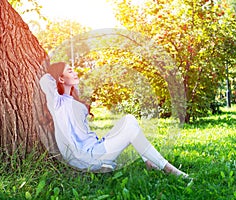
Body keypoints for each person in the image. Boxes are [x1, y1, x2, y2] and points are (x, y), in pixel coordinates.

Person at [39, 61, 189, 177]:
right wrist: (53, 70)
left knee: (126, 121)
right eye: (69, 70)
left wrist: (67, 79)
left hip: (94, 149)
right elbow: (45, 80)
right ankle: (169, 169)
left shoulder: (74, 102)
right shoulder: (57, 103)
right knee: (130, 122)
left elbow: (72, 91)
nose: (75, 72)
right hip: (85, 157)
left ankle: (148, 161)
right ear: (60, 78)